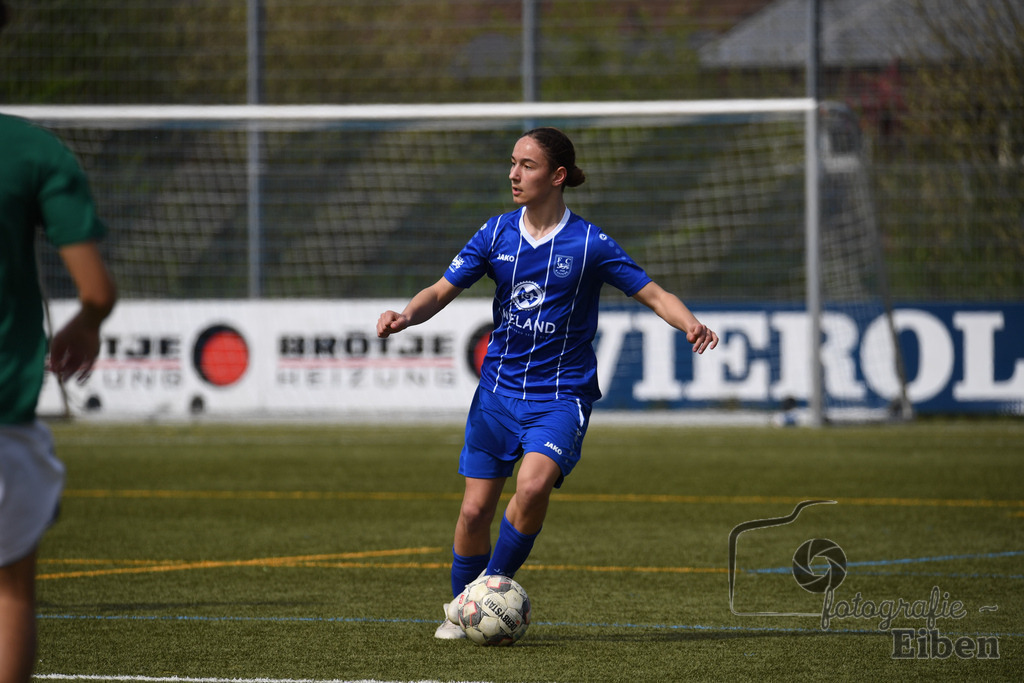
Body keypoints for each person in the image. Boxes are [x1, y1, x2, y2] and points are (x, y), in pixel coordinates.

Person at [376, 126, 717, 640]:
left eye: (527, 165)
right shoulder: (495, 233)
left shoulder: (589, 243)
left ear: (557, 176)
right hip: (496, 394)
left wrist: (689, 323)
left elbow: (651, 292)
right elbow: (441, 289)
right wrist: (406, 316)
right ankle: (459, 608)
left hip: (560, 397)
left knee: (533, 486)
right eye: (512, 163)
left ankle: (487, 595)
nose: (514, 174)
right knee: (473, 512)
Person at [0, 3, 118, 679]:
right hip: (2, 419)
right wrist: (85, 321)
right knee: (11, 586)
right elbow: (96, 289)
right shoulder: (34, 152)